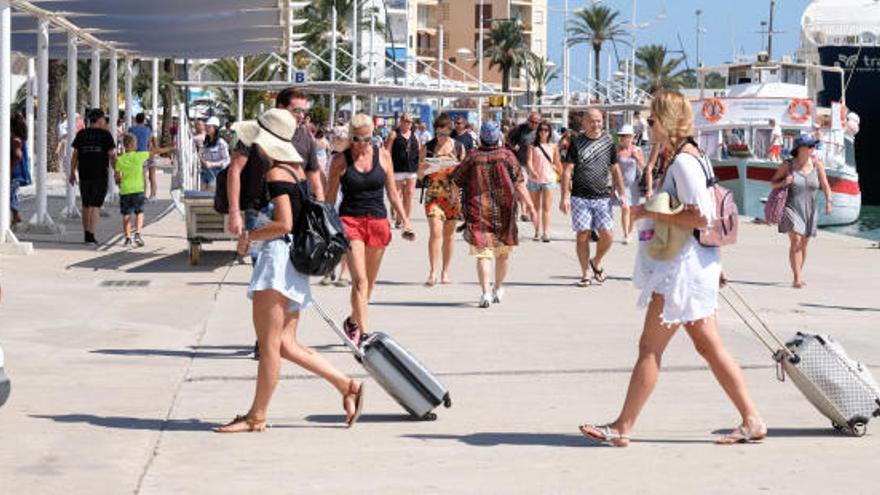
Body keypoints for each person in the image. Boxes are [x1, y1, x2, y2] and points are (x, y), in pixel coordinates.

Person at [579, 90, 766, 447]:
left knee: (650, 347)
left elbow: (700, 215)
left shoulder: (683, 162)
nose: (648, 127)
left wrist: (647, 212)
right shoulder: (694, 157)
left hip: (682, 270)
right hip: (696, 263)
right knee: (710, 347)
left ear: (666, 121)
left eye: (651, 120)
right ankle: (752, 419)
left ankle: (623, 427)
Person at [216, 109, 364, 433]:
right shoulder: (294, 170)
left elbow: (283, 222)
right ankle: (347, 385)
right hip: (293, 262)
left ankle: (257, 416)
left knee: (269, 346)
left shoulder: (275, 175)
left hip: (277, 260)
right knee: (285, 344)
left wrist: (248, 237)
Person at [326, 113, 415, 346]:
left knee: (370, 285)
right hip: (350, 222)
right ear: (350, 137)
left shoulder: (383, 156)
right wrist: (328, 229)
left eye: (367, 139)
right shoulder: (340, 161)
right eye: (357, 139)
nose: (362, 144)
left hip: (377, 221)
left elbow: (393, 194)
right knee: (360, 282)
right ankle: (364, 334)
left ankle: (353, 322)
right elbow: (329, 199)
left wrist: (406, 221)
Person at [452, 121, 537, 308]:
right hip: (504, 212)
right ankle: (498, 287)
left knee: (483, 254)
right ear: (498, 136)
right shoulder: (507, 156)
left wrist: (455, 203)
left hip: (478, 212)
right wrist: (530, 206)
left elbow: (456, 181)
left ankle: (485, 293)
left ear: (480, 137)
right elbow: (519, 183)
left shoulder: (472, 157)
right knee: (502, 254)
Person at [560, 108, 627, 287]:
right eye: (592, 121)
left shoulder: (608, 142)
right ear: (584, 123)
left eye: (599, 121)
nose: (596, 124)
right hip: (580, 196)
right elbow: (567, 170)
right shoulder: (577, 142)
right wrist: (564, 196)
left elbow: (615, 169)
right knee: (583, 235)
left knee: (608, 234)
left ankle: (596, 261)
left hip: (603, 196)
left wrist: (622, 193)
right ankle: (585, 273)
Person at [770, 134, 833, 288]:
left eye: (813, 145)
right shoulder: (788, 165)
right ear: (801, 148)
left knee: (803, 245)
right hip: (791, 207)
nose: (813, 148)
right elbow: (773, 183)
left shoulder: (817, 165)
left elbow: (825, 185)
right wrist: (785, 182)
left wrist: (829, 201)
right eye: (811, 145)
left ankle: (798, 273)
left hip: (810, 209)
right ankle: (797, 278)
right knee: (796, 241)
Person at [417, 113, 467, 286]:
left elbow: (464, 174)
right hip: (433, 196)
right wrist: (423, 169)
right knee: (435, 233)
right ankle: (432, 272)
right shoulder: (428, 147)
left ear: (450, 131)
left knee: (449, 236)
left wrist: (456, 169)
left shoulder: (458, 147)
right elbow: (419, 175)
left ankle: (445, 271)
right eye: (438, 134)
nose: (441, 138)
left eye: (445, 134)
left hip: (452, 197)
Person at [69, 109, 117, 245]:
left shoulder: (82, 134)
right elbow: (112, 156)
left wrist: (72, 172)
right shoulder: (106, 135)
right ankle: (91, 235)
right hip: (100, 174)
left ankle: (86, 234)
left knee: (85, 204)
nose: (105, 121)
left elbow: (75, 155)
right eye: (104, 119)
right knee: (95, 205)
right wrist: (117, 172)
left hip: (84, 173)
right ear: (99, 119)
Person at [114, 134, 171, 247]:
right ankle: (138, 234)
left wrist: (119, 182)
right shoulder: (139, 156)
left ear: (125, 146)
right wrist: (170, 148)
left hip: (125, 190)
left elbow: (117, 176)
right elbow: (154, 151)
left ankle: (127, 237)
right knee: (139, 212)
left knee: (126, 214)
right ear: (134, 145)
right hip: (138, 190)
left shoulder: (120, 160)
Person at [275, 88, 325, 200]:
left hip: (296, 206)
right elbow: (235, 170)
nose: (302, 116)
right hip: (262, 209)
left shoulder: (306, 138)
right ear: (281, 108)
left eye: (304, 111)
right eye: (297, 110)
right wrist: (234, 211)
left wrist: (322, 212)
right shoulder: (260, 134)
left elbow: (315, 182)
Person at [526, 120, 562, 242]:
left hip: (549, 179)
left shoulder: (553, 146)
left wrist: (563, 177)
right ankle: (537, 231)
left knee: (546, 208)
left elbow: (557, 162)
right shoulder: (532, 146)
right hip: (534, 179)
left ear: (549, 132)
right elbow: (529, 161)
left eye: (546, 130)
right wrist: (532, 171)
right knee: (536, 208)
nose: (543, 132)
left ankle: (546, 233)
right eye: (541, 130)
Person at [385, 113, 420, 229]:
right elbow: (387, 152)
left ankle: (406, 221)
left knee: (409, 194)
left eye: (409, 122)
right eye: (405, 121)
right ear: (400, 121)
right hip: (397, 169)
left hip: (411, 169)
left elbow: (419, 152)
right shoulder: (393, 134)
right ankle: (399, 216)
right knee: (398, 194)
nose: (407, 123)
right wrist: (387, 167)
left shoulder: (415, 136)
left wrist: (420, 167)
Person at [616, 125, 646, 243]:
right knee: (625, 208)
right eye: (622, 136)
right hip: (622, 185)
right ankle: (626, 234)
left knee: (633, 211)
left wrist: (637, 158)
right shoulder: (617, 151)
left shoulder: (637, 150)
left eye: (627, 136)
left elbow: (644, 167)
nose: (624, 138)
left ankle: (629, 231)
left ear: (632, 137)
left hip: (634, 185)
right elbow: (614, 169)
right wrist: (613, 186)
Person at [129, 113, 159, 201]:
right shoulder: (148, 130)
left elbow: (128, 141)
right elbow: (152, 142)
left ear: (136, 120)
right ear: (143, 120)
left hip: (139, 154)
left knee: (142, 176)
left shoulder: (131, 129)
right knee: (152, 176)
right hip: (150, 154)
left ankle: (143, 195)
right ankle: (153, 195)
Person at [199, 117, 230, 192]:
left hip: (216, 174)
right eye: (206, 126)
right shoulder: (206, 142)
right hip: (205, 172)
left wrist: (213, 164)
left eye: (209, 126)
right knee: (203, 196)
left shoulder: (221, 143)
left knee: (211, 197)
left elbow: (227, 160)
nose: (207, 128)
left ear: (215, 128)